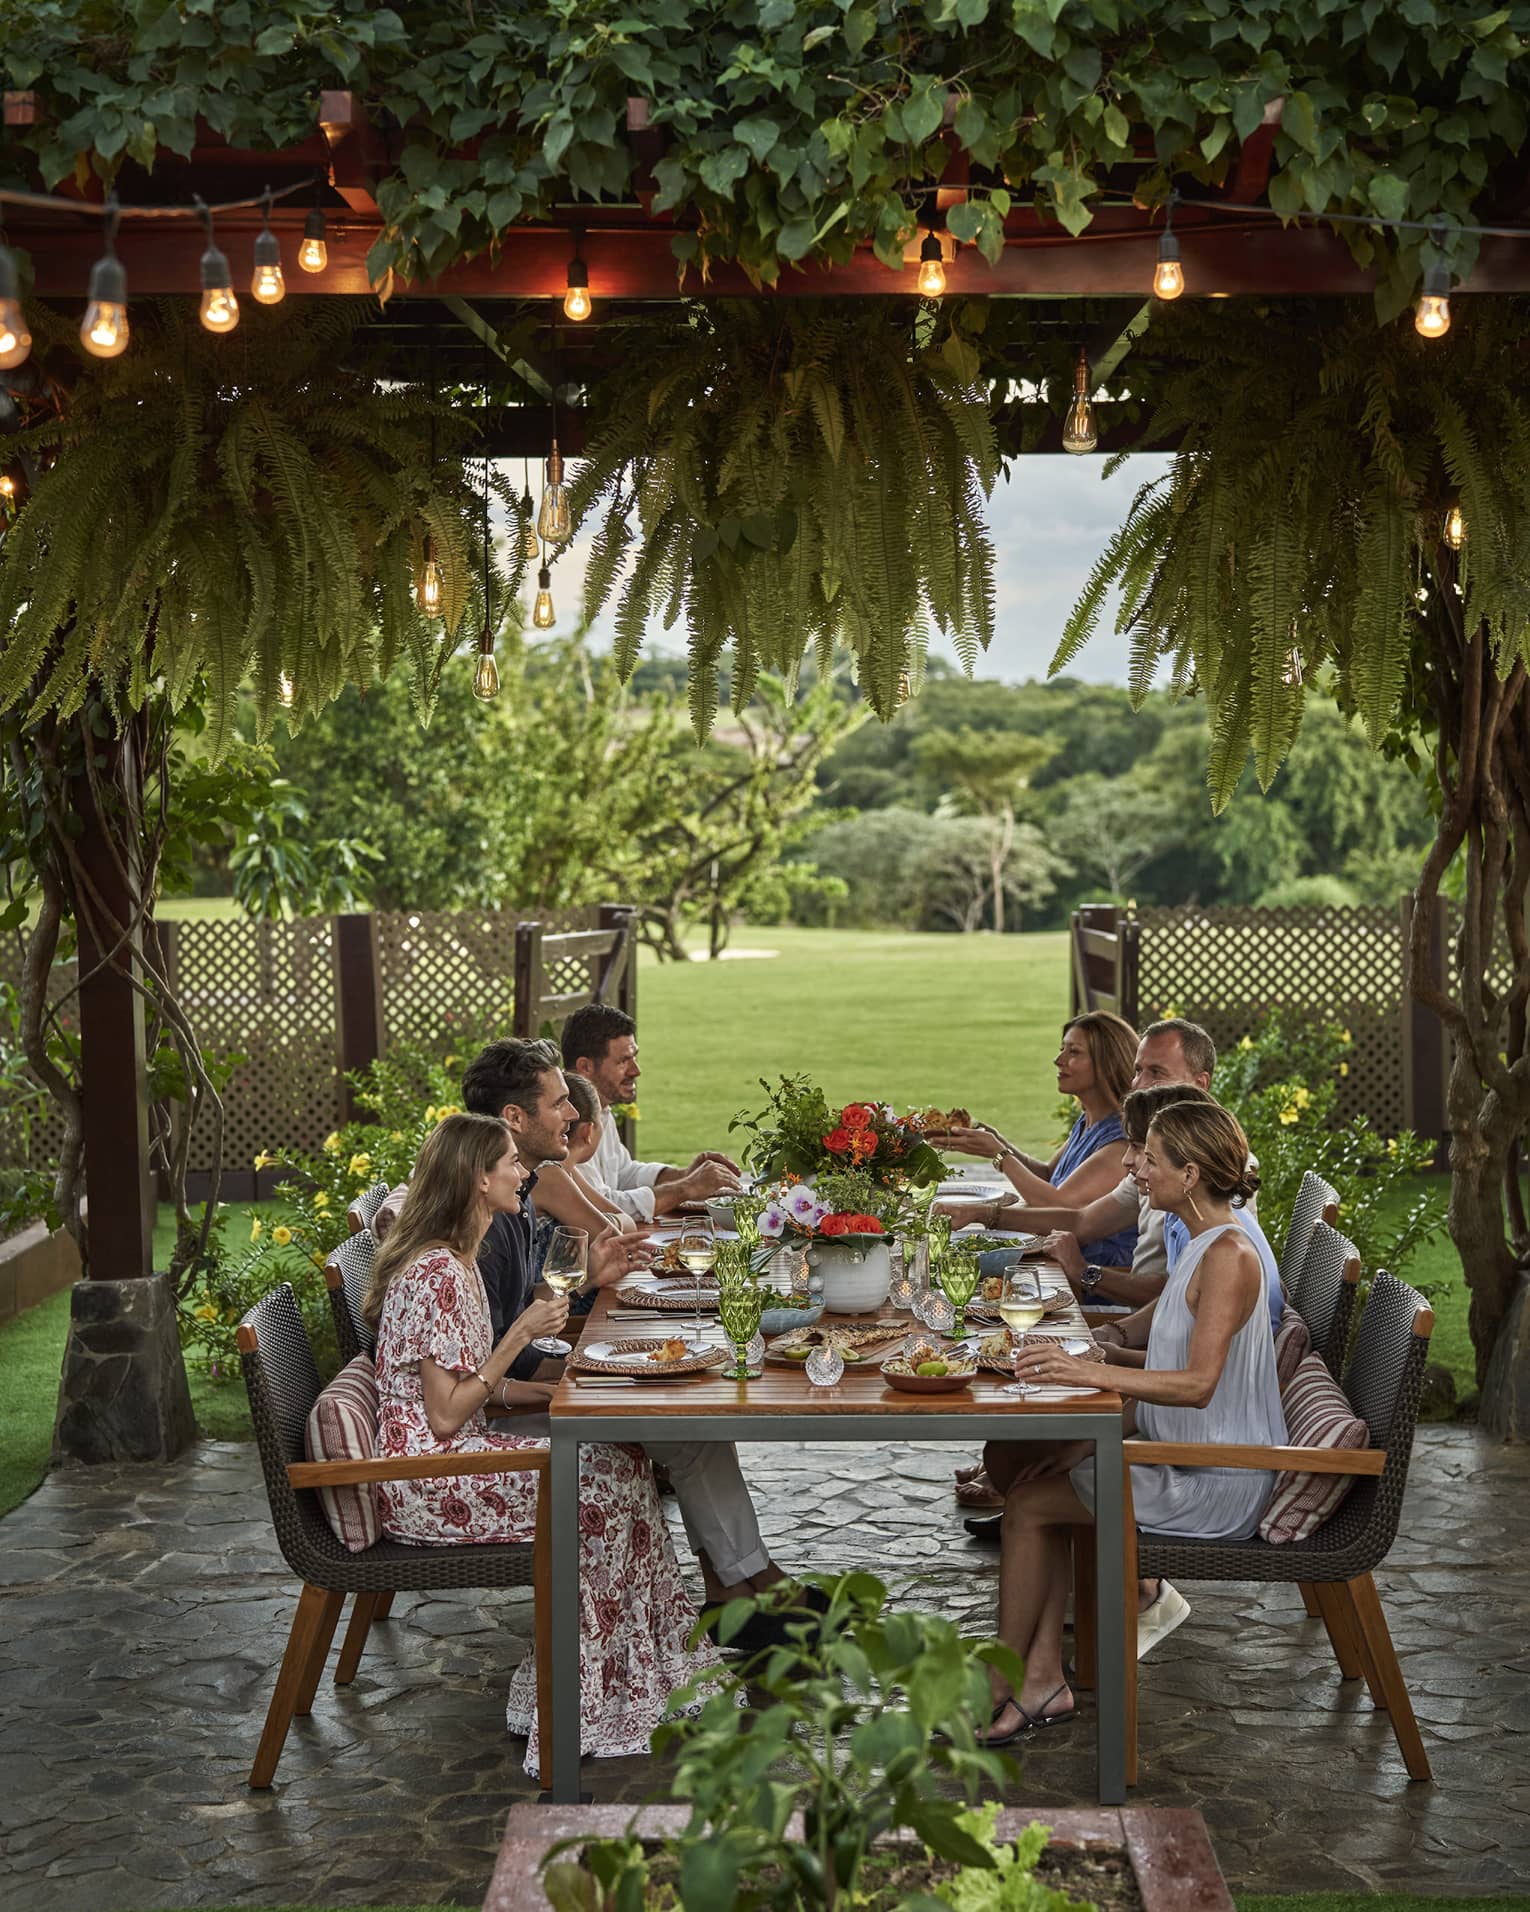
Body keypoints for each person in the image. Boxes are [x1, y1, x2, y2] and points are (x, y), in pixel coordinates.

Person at [386, 1038, 804, 1631]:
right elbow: (493, 1358)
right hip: (478, 1430)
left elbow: (516, 1321)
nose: (575, 1117)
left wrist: (584, 1285)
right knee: (672, 1427)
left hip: (507, 1394)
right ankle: (715, 1604)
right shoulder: (478, 1239)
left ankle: (735, 1591)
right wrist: (579, 1373)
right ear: (512, 1123)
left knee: (679, 1417)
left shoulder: (510, 1204)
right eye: (558, 1103)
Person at [364, 1110, 726, 1779]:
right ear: (478, 1180)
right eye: (510, 1163)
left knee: (619, 1462)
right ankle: (585, 1696)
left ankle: (637, 1673)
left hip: (456, 1458)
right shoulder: (437, 1273)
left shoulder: (459, 1259)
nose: (523, 1173)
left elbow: (481, 1393)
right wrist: (521, 1336)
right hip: (426, 1484)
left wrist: (571, 1385)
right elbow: (444, 1417)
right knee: (600, 1486)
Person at [977, 1101, 1287, 1744]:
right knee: (1039, 1478)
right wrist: (1100, 1355)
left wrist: (1090, 1374)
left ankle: (1001, 1683)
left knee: (1031, 1506)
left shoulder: (1229, 1255)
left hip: (1216, 1482)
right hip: (1178, 1458)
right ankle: (1037, 1678)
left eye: (1148, 1157)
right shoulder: (1206, 1242)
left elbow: (1199, 1386)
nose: (1133, 1166)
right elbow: (1178, 1360)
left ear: (1192, 1173)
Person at [926, 1010, 1141, 1269]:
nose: (1058, 1060)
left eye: (1073, 1052)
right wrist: (997, 1143)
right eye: (1062, 1049)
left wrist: (1001, 1156)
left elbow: (1056, 1204)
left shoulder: (1121, 1142)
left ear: (1107, 1062)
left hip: (1093, 1278)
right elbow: (1049, 1175)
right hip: (1054, 1261)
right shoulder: (1088, 1121)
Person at [560, 1003, 743, 1221]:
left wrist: (682, 1175)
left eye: (634, 1057)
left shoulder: (600, 1108)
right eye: (623, 1061)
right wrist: (686, 1188)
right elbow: (603, 1209)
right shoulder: (568, 1124)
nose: (636, 1070)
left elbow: (623, 1173)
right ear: (585, 1067)